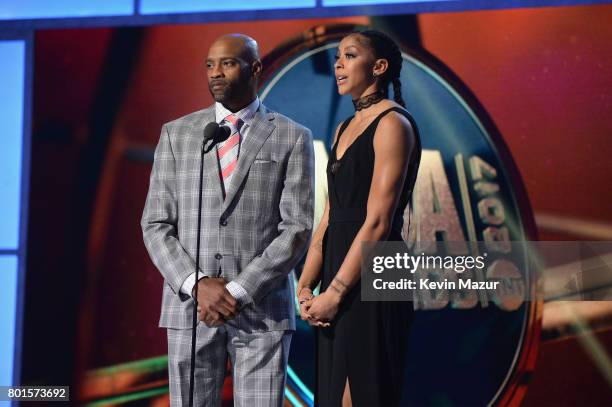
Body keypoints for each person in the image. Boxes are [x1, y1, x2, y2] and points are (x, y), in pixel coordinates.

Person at [141, 33, 314, 407]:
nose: (215, 73)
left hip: (261, 311)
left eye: (228, 63)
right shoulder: (177, 135)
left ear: (255, 69)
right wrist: (197, 284)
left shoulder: (292, 137)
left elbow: (296, 228)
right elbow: (155, 223)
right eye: (209, 65)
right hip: (190, 310)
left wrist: (236, 291)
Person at [296, 30, 422, 406]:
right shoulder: (342, 128)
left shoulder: (393, 124)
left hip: (379, 266)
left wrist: (334, 292)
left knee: (365, 392)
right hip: (340, 264)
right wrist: (305, 285)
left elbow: (379, 222)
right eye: (337, 57)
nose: (338, 64)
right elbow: (331, 214)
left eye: (349, 55)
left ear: (379, 67)